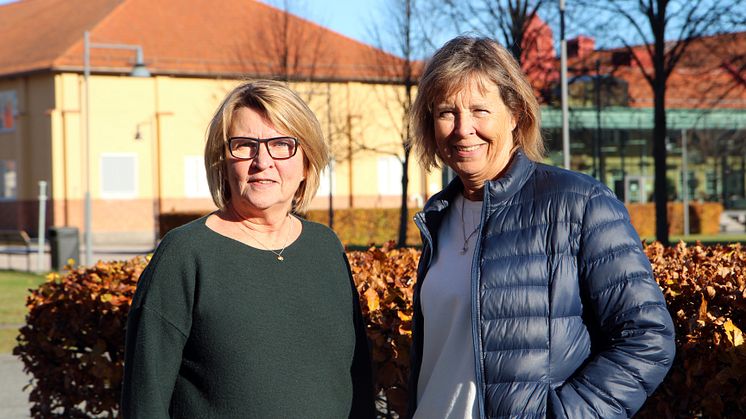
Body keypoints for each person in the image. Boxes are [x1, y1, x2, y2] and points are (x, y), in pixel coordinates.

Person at [407, 36, 675, 418]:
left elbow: (648, 337)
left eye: (481, 110)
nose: (463, 129)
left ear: (515, 114)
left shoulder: (580, 204)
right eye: (447, 112)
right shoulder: (439, 218)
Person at [122, 80, 375, 418]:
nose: (262, 161)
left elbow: (356, 381)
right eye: (244, 145)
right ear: (222, 163)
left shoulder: (325, 248)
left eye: (282, 144)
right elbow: (145, 402)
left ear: (306, 162)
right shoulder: (185, 254)